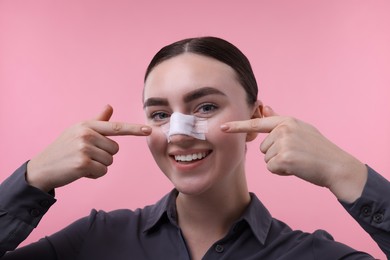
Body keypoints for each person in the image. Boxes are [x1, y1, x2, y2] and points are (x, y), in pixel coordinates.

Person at [0, 36, 388, 259]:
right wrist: (31, 179)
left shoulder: (314, 256)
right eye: (159, 114)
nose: (179, 134)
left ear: (257, 118)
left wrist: (346, 172)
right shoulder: (94, 239)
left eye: (205, 107)